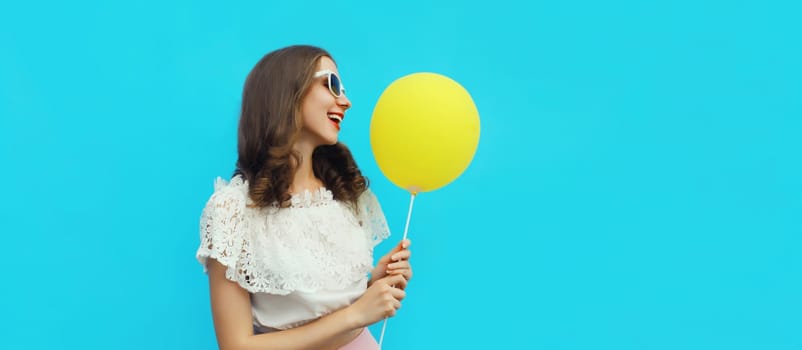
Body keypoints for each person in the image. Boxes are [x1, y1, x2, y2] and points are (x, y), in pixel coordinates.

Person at [195, 45, 413, 350]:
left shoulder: (345, 195)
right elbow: (235, 346)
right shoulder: (231, 210)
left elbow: (324, 313)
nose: (346, 101)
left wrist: (371, 288)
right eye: (332, 85)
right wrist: (356, 313)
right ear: (287, 92)